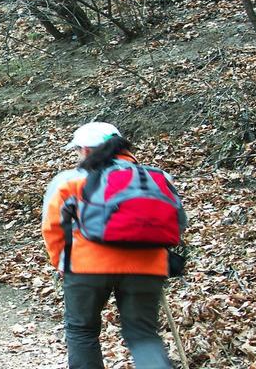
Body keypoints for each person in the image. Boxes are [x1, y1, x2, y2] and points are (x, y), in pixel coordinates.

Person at [42, 122, 176, 369]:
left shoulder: (71, 180)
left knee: (82, 331)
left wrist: (60, 262)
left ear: (85, 150)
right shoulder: (158, 177)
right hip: (148, 266)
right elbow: (175, 221)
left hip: (86, 267)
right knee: (143, 334)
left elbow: (53, 227)